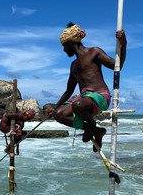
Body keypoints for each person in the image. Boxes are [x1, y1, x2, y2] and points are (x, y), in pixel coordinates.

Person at [48, 22, 127, 152]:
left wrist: (124, 43)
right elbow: (69, 90)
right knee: (59, 114)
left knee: (78, 105)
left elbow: (117, 66)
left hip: (100, 96)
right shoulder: (73, 65)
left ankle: (91, 127)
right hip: (83, 99)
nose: (64, 50)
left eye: (64, 46)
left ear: (71, 43)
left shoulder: (93, 52)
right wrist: (55, 107)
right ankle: (95, 130)